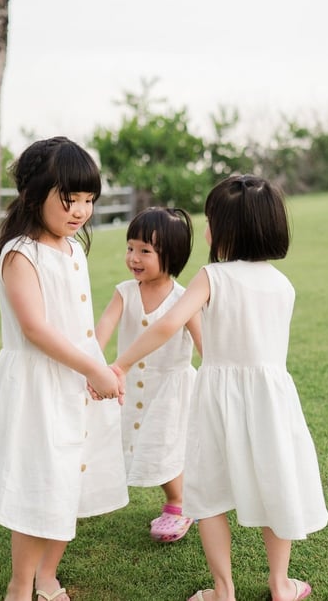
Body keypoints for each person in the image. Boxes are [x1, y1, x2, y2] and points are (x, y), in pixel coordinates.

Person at [111, 174, 328, 601]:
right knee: (274, 483)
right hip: (271, 399)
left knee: (208, 493)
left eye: (210, 218)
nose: (206, 227)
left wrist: (119, 363)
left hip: (217, 396)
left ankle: (223, 591)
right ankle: (281, 585)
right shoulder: (282, 284)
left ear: (228, 228)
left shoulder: (212, 276)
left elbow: (170, 322)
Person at [0, 137, 128, 601]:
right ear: (34, 194)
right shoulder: (20, 253)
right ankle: (20, 587)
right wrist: (94, 369)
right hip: (38, 384)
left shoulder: (73, 250)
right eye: (69, 199)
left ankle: (47, 577)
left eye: (88, 200)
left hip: (75, 379)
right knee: (40, 484)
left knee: (71, 479)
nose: (80, 211)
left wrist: (100, 368)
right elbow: (36, 330)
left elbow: (80, 326)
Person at [95, 207, 203, 543]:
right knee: (130, 443)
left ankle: (178, 502)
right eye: (130, 248)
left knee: (162, 447)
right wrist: (93, 362)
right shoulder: (125, 291)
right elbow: (103, 328)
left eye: (145, 251)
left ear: (171, 255)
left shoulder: (184, 299)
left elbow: (204, 345)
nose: (134, 258)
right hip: (128, 387)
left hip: (169, 388)